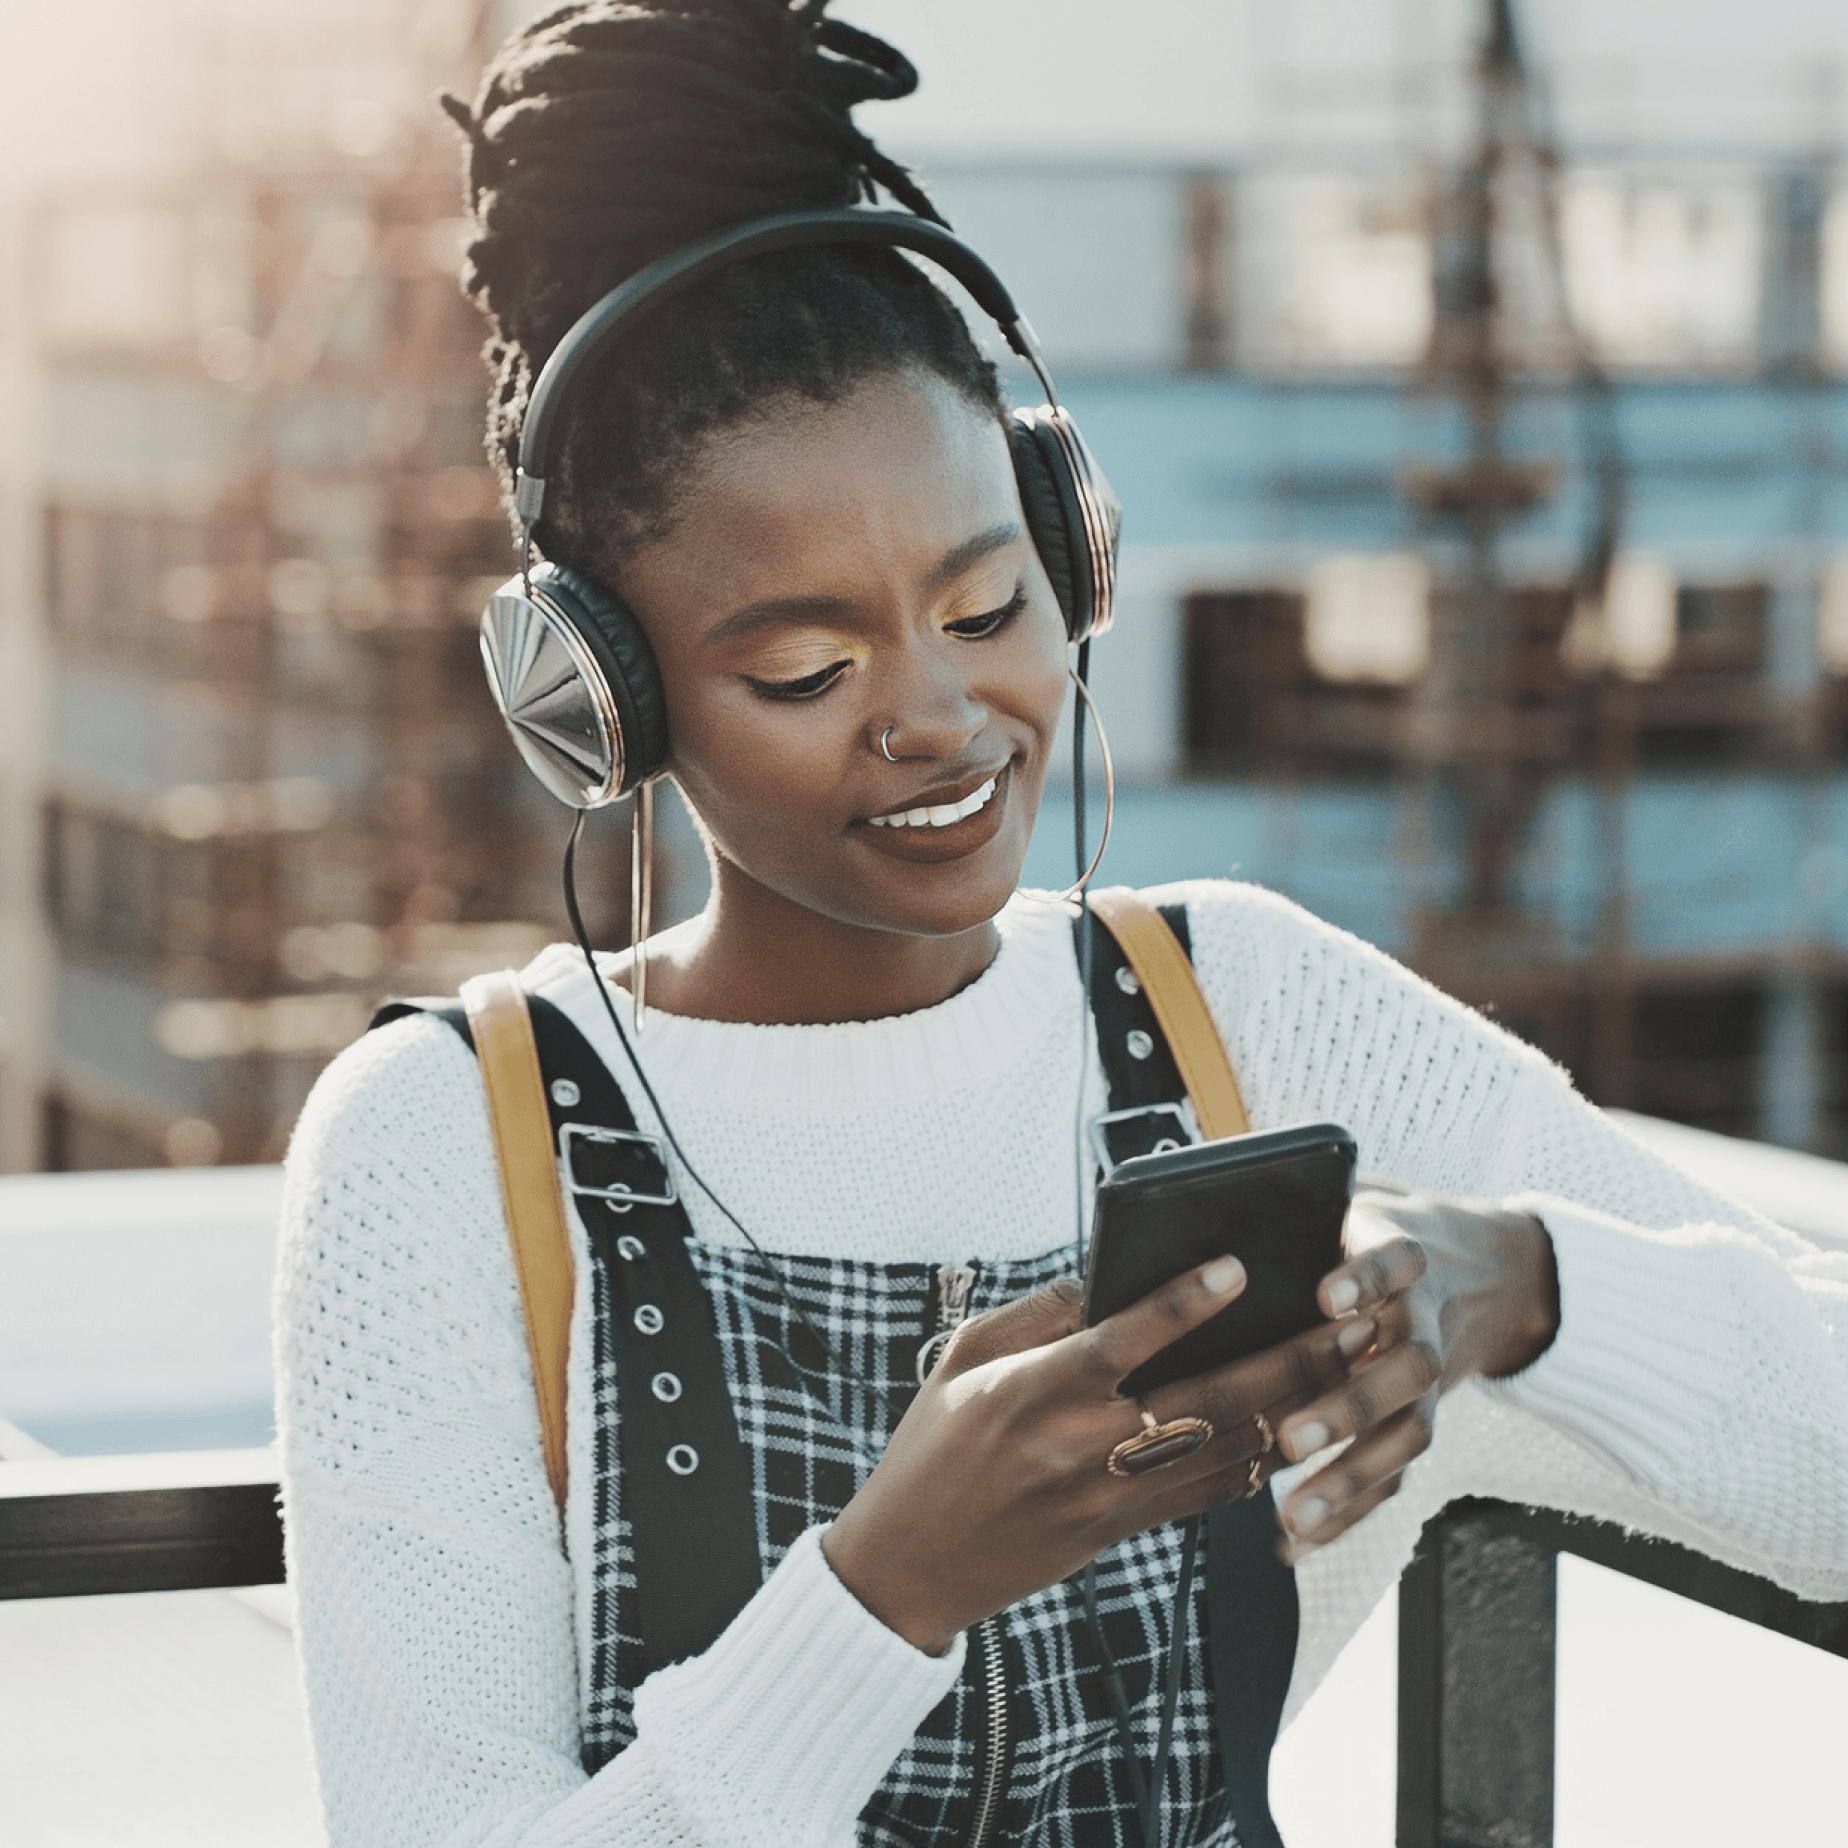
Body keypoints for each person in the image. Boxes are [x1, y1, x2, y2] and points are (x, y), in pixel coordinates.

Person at [274, 5, 1848, 1845]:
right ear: (604, 702)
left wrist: (1535, 1286)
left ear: (1074, 553)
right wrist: (881, 1599)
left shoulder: (1246, 1009)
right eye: (803, 664)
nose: (939, 715)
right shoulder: (445, 1153)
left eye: (986, 602)